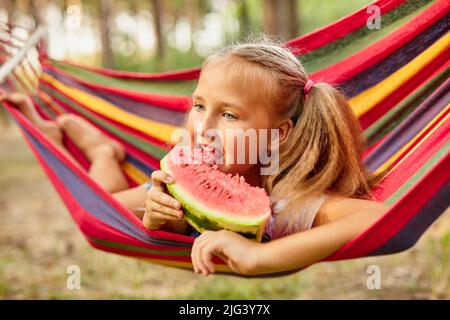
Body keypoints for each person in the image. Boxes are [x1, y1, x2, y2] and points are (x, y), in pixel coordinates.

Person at [0, 38, 389, 277]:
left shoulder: (290, 199)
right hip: (189, 173)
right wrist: (158, 221)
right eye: (199, 105)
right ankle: (104, 152)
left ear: (278, 134)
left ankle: (102, 151)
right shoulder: (198, 156)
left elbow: (375, 217)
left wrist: (261, 257)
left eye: (230, 115)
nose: (203, 126)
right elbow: (104, 217)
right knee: (95, 212)